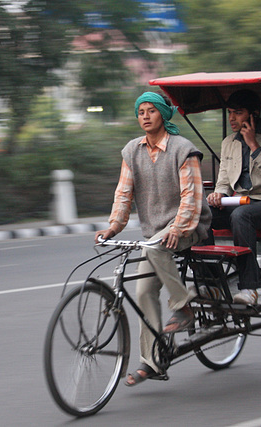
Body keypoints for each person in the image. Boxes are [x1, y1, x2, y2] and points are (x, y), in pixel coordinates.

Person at [95, 91, 212, 387]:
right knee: (143, 291)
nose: (145, 116)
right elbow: (123, 194)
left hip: (187, 226)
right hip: (155, 233)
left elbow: (192, 198)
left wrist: (178, 228)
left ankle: (184, 307)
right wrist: (114, 227)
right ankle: (153, 361)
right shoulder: (131, 151)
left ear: (163, 114)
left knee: (158, 248)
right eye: (141, 111)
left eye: (151, 111)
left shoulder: (183, 150)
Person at [206, 89, 261, 305]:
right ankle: (211, 282)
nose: (232, 119)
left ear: (254, 114)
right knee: (200, 214)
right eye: (230, 113)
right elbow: (224, 179)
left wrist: (254, 145)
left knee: (241, 216)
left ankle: (249, 288)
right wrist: (219, 194)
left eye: (238, 112)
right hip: (240, 202)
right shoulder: (229, 142)